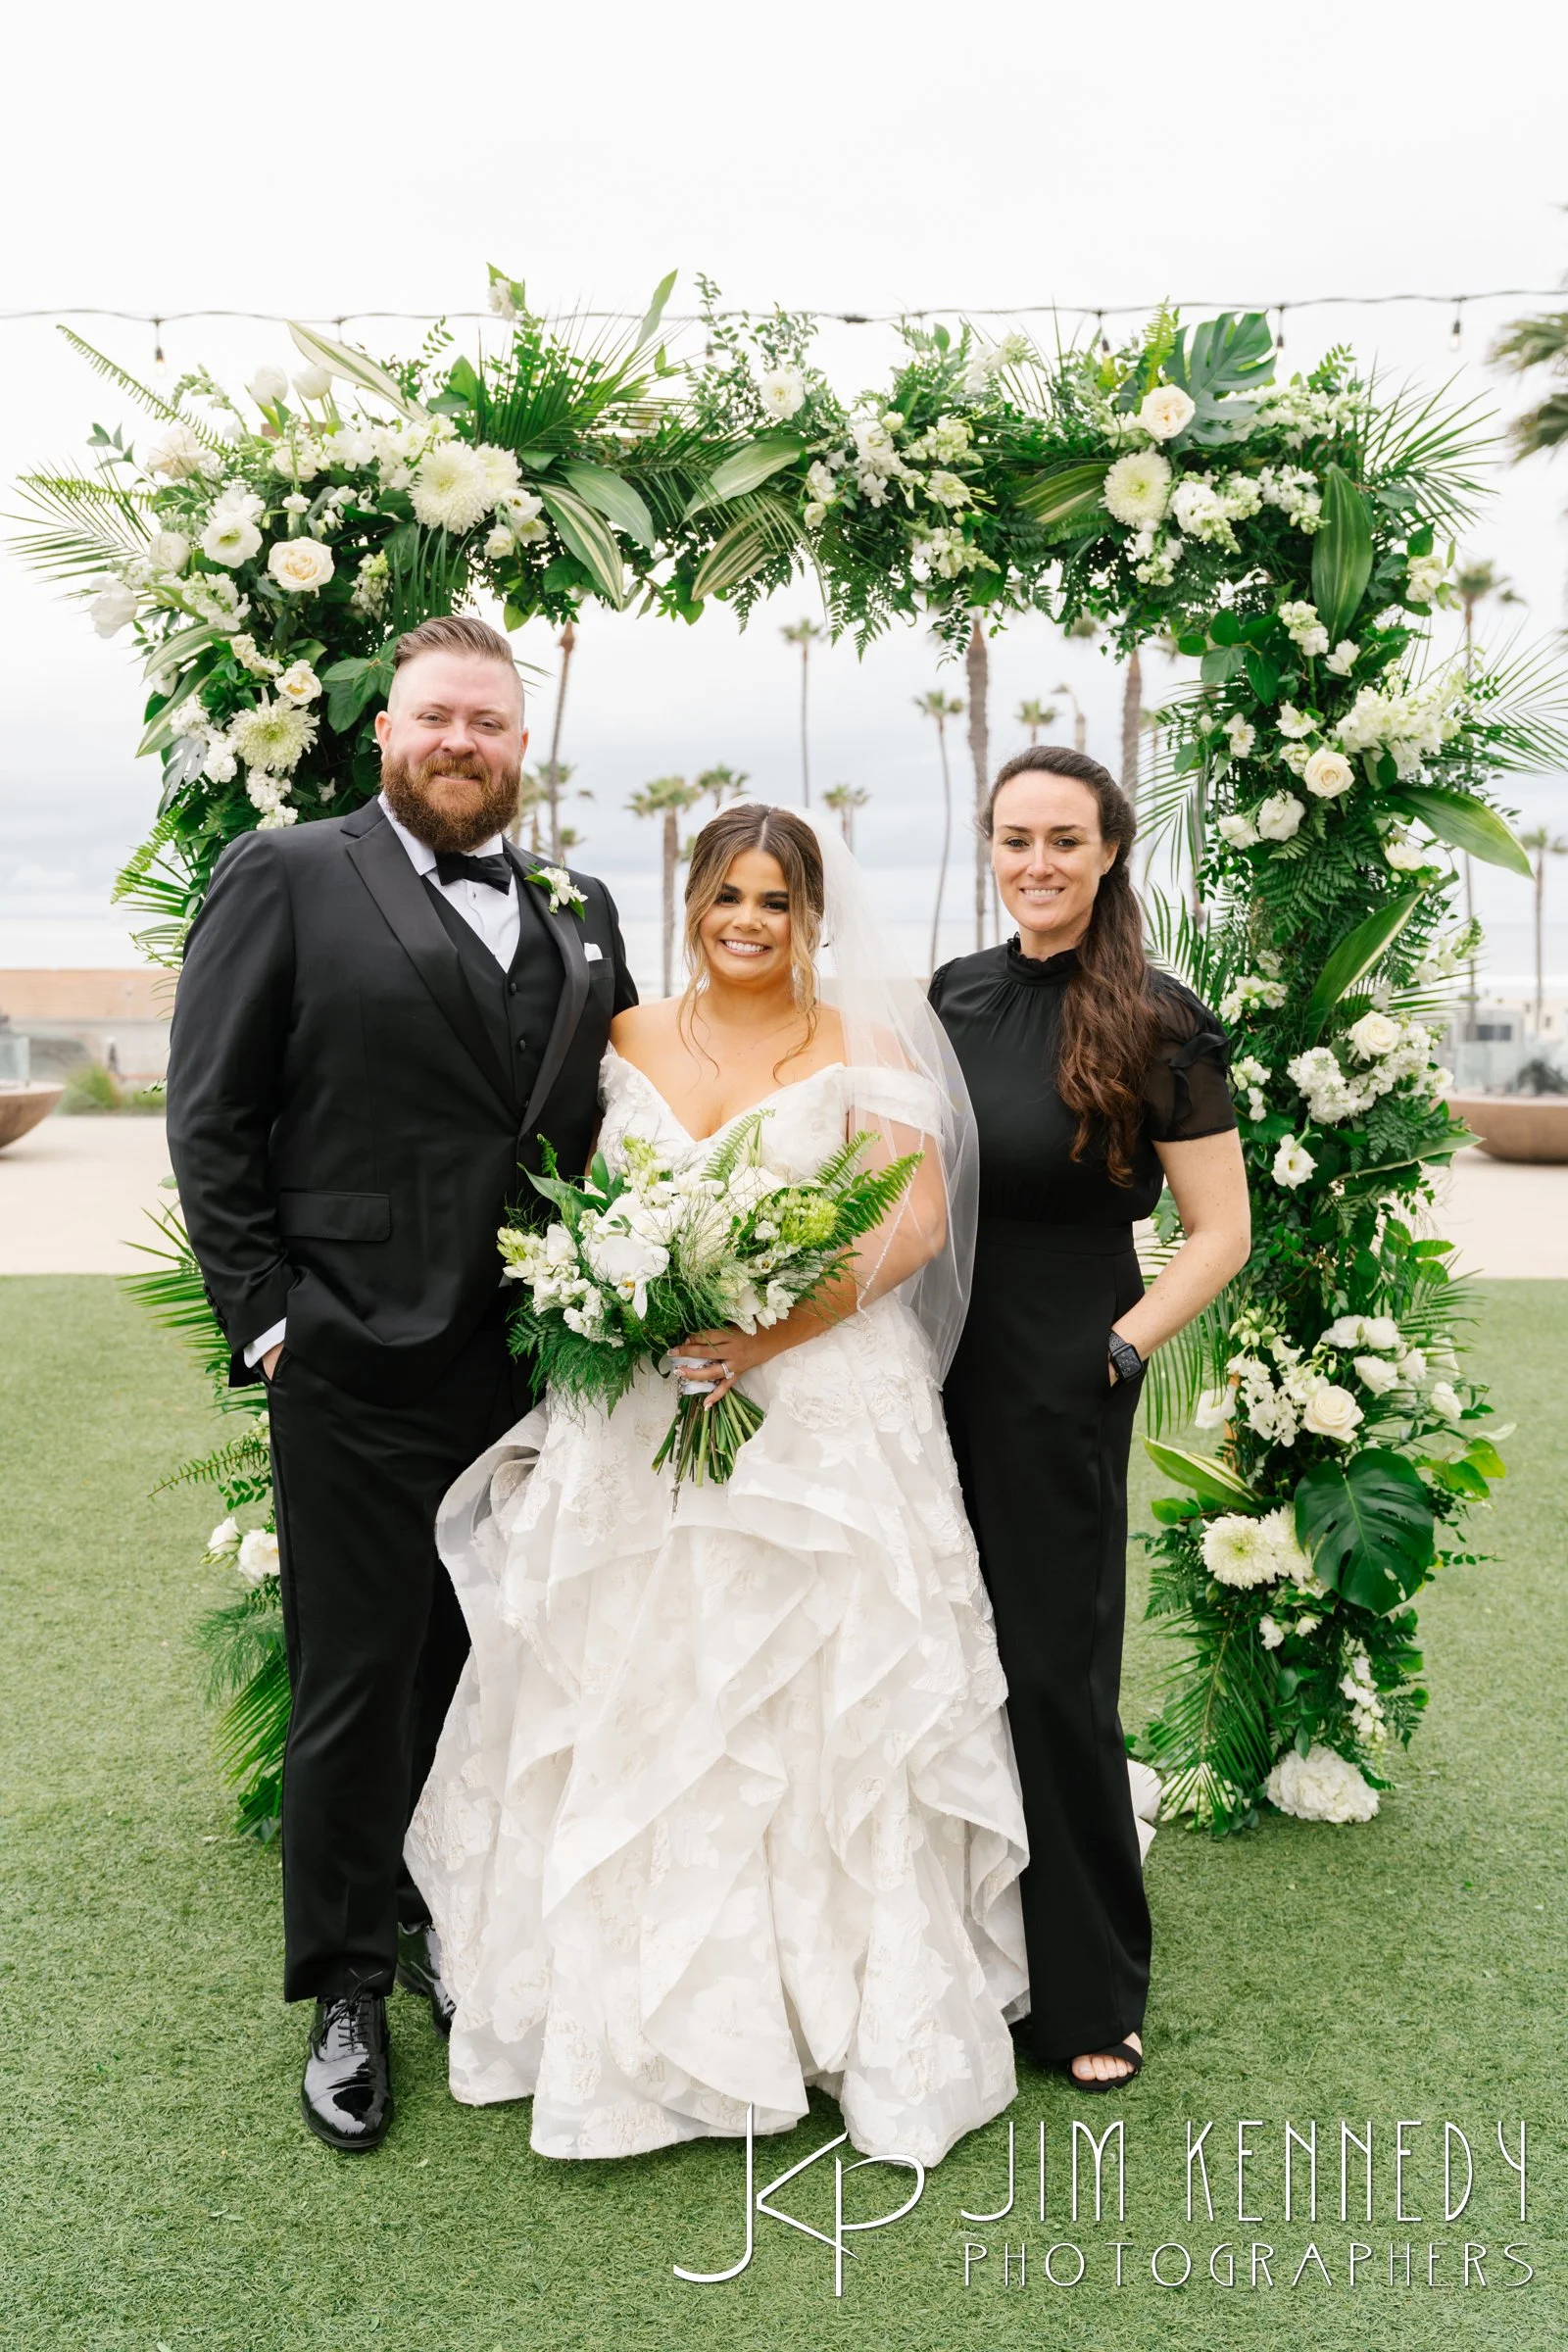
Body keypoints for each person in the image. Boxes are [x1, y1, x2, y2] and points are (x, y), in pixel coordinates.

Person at [407, 804, 1028, 2166]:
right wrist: (617, 1299)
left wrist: (763, 1338)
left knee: (812, 1695)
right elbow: (583, 1203)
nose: (749, 922)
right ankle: (632, 2011)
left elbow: (914, 1221)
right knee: (641, 1685)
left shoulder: (866, 1045)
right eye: (727, 896)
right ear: (692, 902)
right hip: (639, 1416)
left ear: (814, 919)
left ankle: (825, 2016)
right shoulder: (628, 1037)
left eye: (776, 902)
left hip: (819, 1416)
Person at [165, 613, 637, 2152]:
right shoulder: (287, 873)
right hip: (352, 1355)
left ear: (521, 745)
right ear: (386, 731)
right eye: (436, 716)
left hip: (540, 1364)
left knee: (493, 1662)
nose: (460, 742)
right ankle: (347, 1985)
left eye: (488, 723)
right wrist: (268, 1321)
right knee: (357, 1677)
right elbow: (212, 1113)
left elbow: (615, 1113)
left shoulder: (580, 905)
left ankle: (456, 1928)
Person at [930, 747, 1250, 2093]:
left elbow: (1220, 1230)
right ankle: (954, 1959)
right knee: (938, 1657)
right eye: (1016, 839)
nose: (1038, 863)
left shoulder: (1160, 1021)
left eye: (1065, 839)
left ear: (1111, 850)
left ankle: (1087, 1991)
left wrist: (1121, 1348)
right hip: (931, 1365)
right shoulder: (951, 997)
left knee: (1056, 1674)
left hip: (1064, 1374)